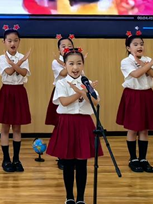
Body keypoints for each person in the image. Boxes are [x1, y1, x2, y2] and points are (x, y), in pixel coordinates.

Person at [47, 47, 103, 204]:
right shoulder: (61, 83)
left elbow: (96, 102)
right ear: (65, 65)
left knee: (81, 163)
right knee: (68, 162)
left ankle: (81, 198)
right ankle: (69, 196)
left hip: (84, 124)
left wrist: (85, 90)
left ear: (83, 65)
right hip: (67, 123)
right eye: (71, 63)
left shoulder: (87, 82)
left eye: (79, 63)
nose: (75, 67)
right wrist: (79, 92)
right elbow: (64, 102)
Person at [116, 30, 153, 173]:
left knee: (144, 129)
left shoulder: (147, 59)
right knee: (133, 128)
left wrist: (146, 64)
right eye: (135, 44)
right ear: (129, 48)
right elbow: (136, 74)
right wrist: (150, 64)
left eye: (141, 44)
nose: (139, 46)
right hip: (133, 95)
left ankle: (143, 159)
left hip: (147, 95)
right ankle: (133, 159)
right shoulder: (126, 61)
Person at [0, 25, 31, 173]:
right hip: (7, 92)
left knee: (17, 127)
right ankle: (6, 159)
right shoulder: (1, 58)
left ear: (19, 41)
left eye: (15, 40)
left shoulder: (22, 56)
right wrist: (19, 62)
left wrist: (17, 63)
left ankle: (16, 159)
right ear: (4, 42)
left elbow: (23, 73)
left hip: (19, 91)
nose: (12, 43)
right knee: (5, 127)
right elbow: (8, 72)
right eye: (9, 40)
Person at [45, 34, 76, 170]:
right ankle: (61, 157)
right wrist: (68, 63)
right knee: (61, 126)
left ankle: (73, 156)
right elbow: (64, 73)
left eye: (69, 46)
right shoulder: (55, 62)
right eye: (63, 46)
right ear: (59, 50)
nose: (67, 48)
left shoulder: (76, 60)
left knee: (73, 126)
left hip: (74, 93)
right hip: (61, 94)